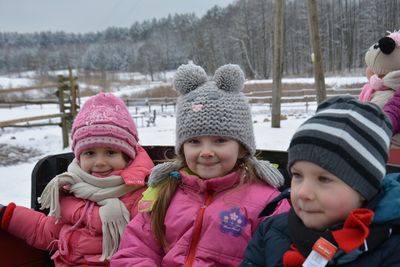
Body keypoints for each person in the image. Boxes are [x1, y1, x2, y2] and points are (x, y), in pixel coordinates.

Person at [111, 63, 290, 266]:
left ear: (241, 148)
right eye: (194, 141)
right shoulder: (164, 193)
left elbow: (277, 258)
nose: (206, 152)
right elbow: (134, 251)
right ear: (182, 148)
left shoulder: (268, 203)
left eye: (220, 140)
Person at [240, 95, 400, 266]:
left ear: (365, 188)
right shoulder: (272, 230)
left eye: (323, 179)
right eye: (297, 175)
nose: (302, 193)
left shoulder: (391, 247)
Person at [0, 92, 154, 266]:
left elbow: (147, 249)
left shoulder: (141, 196)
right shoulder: (71, 189)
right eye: (90, 153)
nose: (100, 162)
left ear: (127, 156)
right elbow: (45, 230)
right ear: (79, 158)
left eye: (110, 152)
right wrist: (7, 215)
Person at [359, 30, 400, 148]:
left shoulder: (386, 94)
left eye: (371, 67)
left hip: (387, 151)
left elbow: (382, 119)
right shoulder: (382, 90)